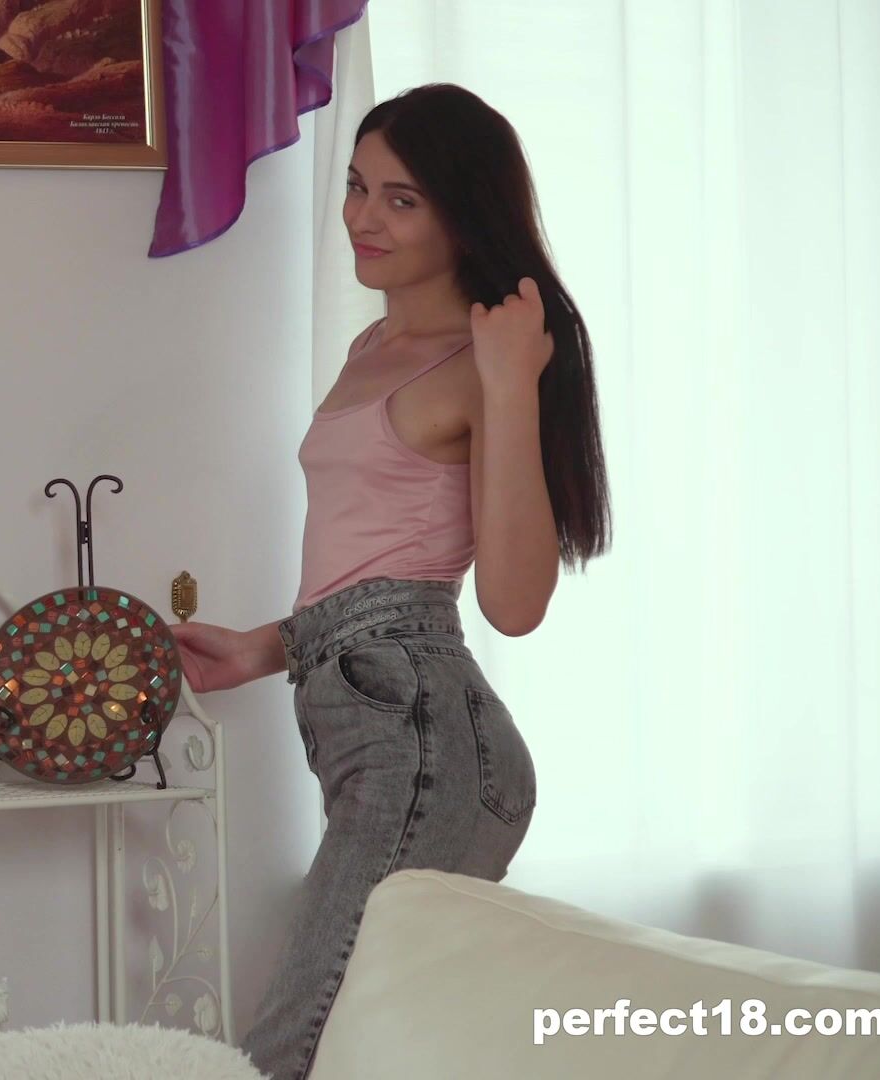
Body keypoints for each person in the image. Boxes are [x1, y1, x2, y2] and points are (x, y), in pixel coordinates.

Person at [168, 83, 612, 1079]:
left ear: (463, 215)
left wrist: (509, 381)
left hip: (426, 744)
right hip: (369, 721)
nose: (364, 218)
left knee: (294, 1044)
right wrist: (263, 648)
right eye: (358, 186)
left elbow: (513, 603)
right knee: (377, 1047)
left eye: (402, 200)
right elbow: (377, 555)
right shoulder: (373, 348)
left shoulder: (483, 367)